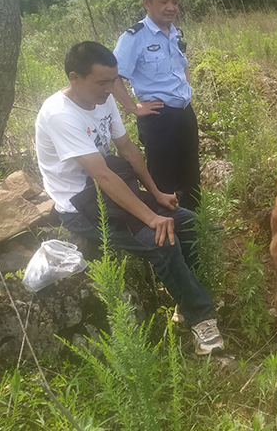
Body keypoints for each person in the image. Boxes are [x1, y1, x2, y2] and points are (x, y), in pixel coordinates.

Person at [35, 42, 223, 355]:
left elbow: (127, 149)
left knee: (192, 225)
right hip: (79, 204)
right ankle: (201, 319)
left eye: (114, 80)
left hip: (113, 190)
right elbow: (102, 176)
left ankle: (183, 299)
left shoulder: (103, 100)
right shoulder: (59, 114)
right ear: (74, 77)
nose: (111, 89)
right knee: (161, 239)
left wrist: (156, 194)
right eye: (102, 82)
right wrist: (150, 216)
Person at [112, 0, 201, 211]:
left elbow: (182, 65)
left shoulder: (174, 33)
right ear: (147, 3)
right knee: (162, 178)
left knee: (190, 172)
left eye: (174, 2)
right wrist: (133, 107)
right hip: (159, 116)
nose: (170, 7)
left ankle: (192, 224)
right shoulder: (134, 37)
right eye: (163, 2)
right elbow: (114, 76)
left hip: (184, 112)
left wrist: (187, 92)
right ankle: (166, 226)